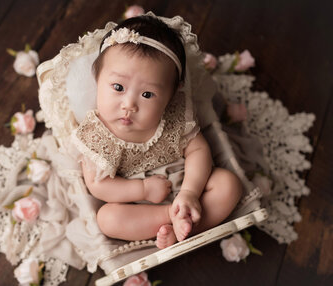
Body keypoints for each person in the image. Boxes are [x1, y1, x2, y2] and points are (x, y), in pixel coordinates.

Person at [71, 16, 243, 249]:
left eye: (147, 95)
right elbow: (99, 186)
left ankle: (188, 226)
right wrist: (141, 189)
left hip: (188, 190)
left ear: (171, 96)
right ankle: (170, 219)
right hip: (136, 205)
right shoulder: (96, 135)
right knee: (107, 218)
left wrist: (190, 193)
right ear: (97, 79)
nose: (129, 105)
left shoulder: (174, 118)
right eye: (118, 88)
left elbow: (199, 150)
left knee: (228, 184)